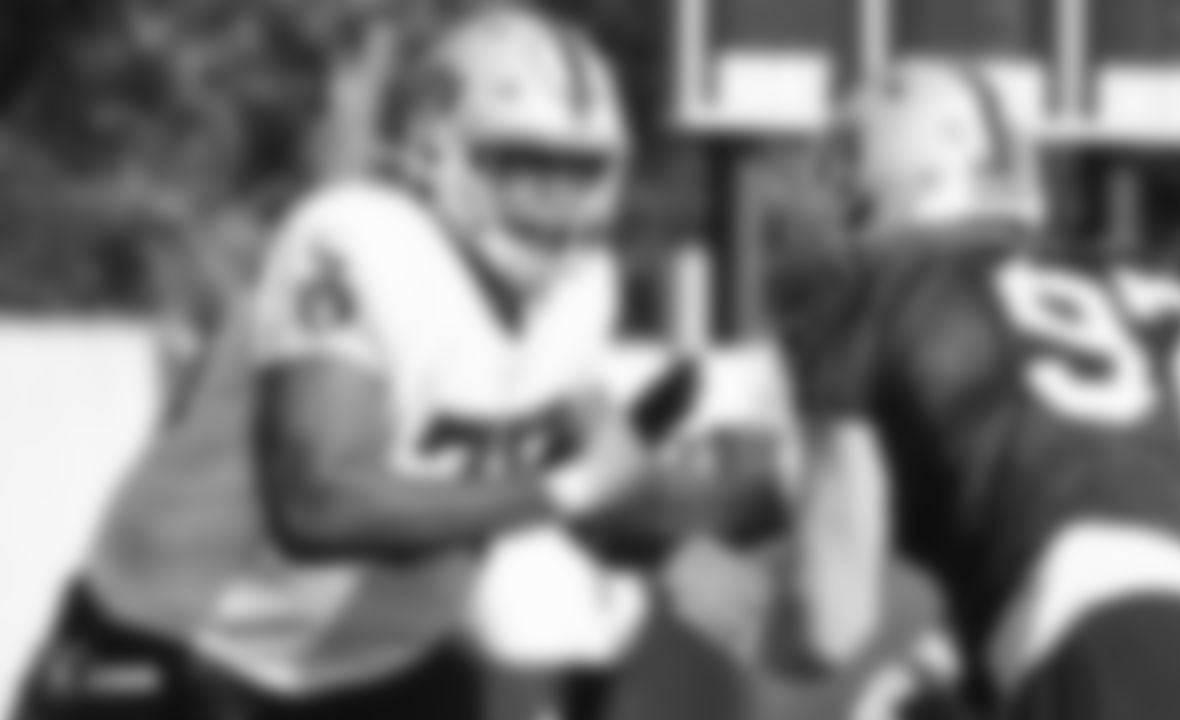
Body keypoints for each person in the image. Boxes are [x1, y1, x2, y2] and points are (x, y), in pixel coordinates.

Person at [12, 7, 688, 720]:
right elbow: (318, 506)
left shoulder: (579, 291)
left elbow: (599, 482)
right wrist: (573, 487)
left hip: (370, 673)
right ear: (437, 153)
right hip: (177, 654)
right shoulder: (360, 240)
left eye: (581, 170)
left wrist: (698, 508)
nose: (557, 199)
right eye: (526, 164)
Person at [765, 60, 1180, 720]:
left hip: (1100, 655)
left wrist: (727, 612)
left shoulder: (881, 290)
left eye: (845, 175)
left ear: (896, 173)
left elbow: (826, 626)